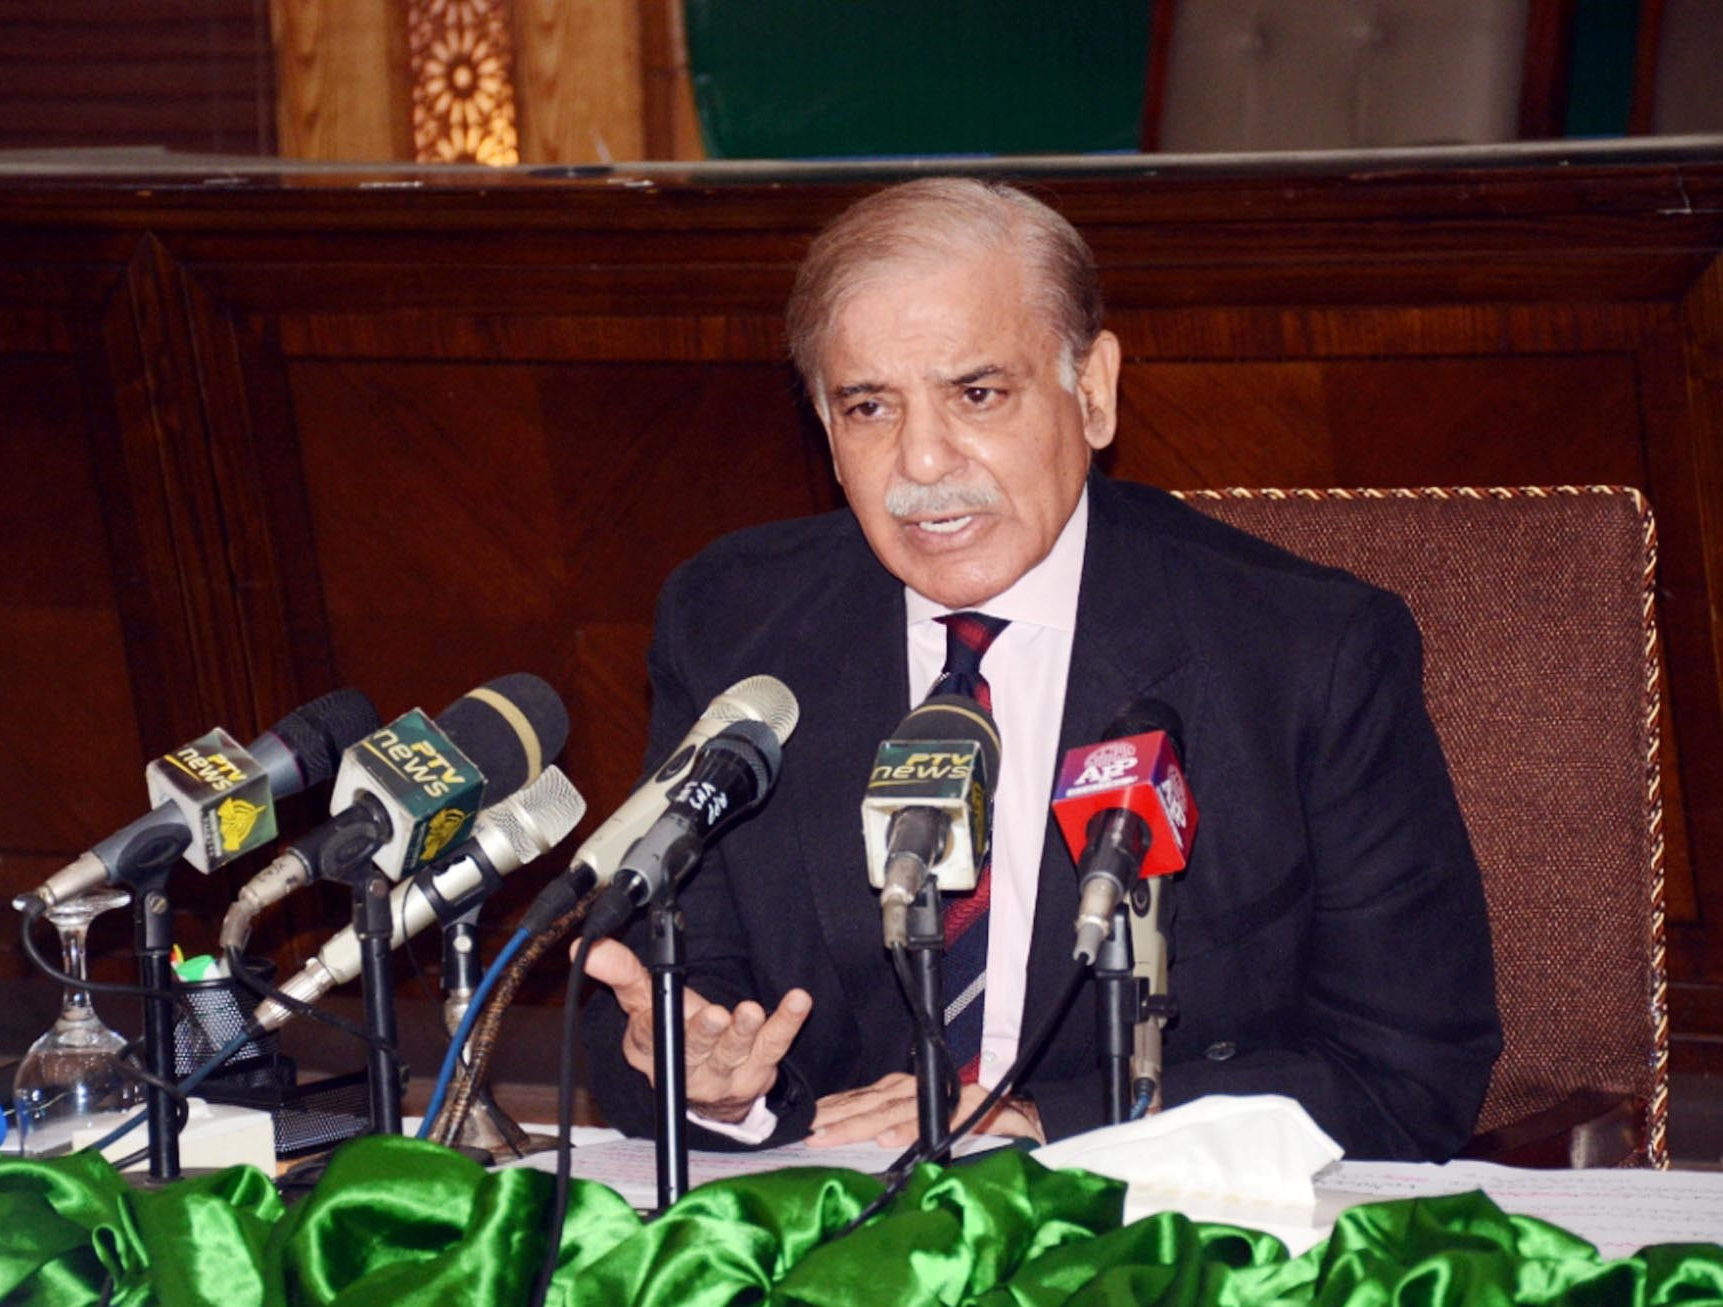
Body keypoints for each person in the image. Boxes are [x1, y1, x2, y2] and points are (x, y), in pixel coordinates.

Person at [581, 177, 1501, 1160]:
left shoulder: (1303, 653)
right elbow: (653, 997)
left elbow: (1410, 1074)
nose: (923, 462)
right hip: (840, 1235)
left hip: (1157, 1246)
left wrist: (1050, 1125)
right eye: (868, 408)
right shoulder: (737, 626)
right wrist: (713, 1084)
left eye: (977, 394)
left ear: (1093, 391)